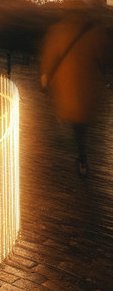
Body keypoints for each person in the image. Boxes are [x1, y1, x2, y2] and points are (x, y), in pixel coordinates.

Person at [40, 12, 112, 176]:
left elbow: (50, 58)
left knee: (73, 121)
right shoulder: (95, 32)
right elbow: (104, 58)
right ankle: (82, 155)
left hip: (67, 85)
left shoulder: (58, 31)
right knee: (82, 125)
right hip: (88, 87)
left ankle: (77, 154)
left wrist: (45, 79)